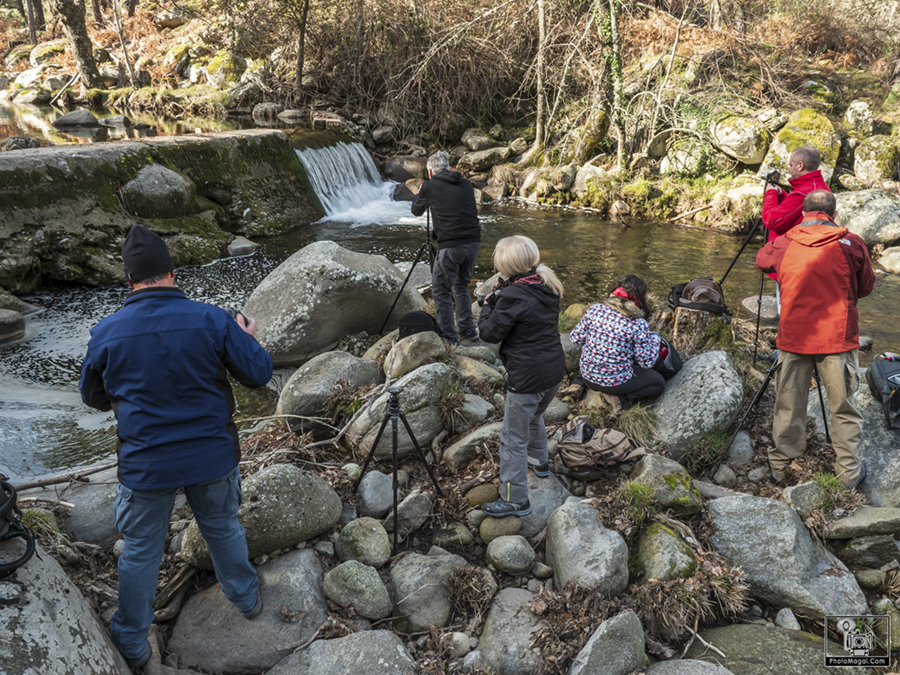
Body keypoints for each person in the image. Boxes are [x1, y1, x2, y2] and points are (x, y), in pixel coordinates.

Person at [80, 225, 273, 669]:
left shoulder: (105, 333)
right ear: (171, 272)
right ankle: (246, 600)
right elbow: (259, 374)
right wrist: (248, 335)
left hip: (146, 464)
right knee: (222, 527)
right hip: (212, 455)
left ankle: (131, 639)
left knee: (140, 550)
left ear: (129, 281)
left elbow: (92, 398)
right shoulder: (212, 318)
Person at [756, 190, 875, 489]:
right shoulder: (851, 243)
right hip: (837, 337)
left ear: (804, 212)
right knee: (844, 409)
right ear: (832, 213)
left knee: (788, 404)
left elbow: (762, 261)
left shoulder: (785, 242)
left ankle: (781, 464)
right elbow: (866, 287)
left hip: (794, 336)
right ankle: (847, 474)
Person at [477, 235, 565, 517]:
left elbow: (489, 333)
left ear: (506, 264)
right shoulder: (545, 284)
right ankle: (539, 462)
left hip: (527, 376)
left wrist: (487, 304)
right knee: (534, 415)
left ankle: (515, 500)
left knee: (511, 437)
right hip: (553, 372)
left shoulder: (512, 294)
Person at [411, 151, 482, 346]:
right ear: (449, 168)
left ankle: (449, 338)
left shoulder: (429, 186)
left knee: (441, 291)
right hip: (473, 242)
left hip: (451, 246)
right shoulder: (466, 184)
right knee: (460, 286)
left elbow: (416, 210)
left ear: (431, 172)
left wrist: (420, 192)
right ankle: (468, 331)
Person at [566, 276, 666, 414]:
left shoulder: (594, 310)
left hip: (587, 376)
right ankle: (618, 398)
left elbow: (575, 339)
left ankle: (578, 384)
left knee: (593, 355)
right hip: (613, 383)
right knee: (658, 383)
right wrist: (654, 338)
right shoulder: (637, 323)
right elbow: (646, 362)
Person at [761, 145, 831, 287]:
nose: (789, 169)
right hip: (811, 259)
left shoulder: (803, 192)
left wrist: (770, 193)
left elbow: (771, 220)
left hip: (792, 261)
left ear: (800, 165)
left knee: (787, 306)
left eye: (791, 165)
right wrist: (783, 195)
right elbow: (797, 213)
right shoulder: (820, 187)